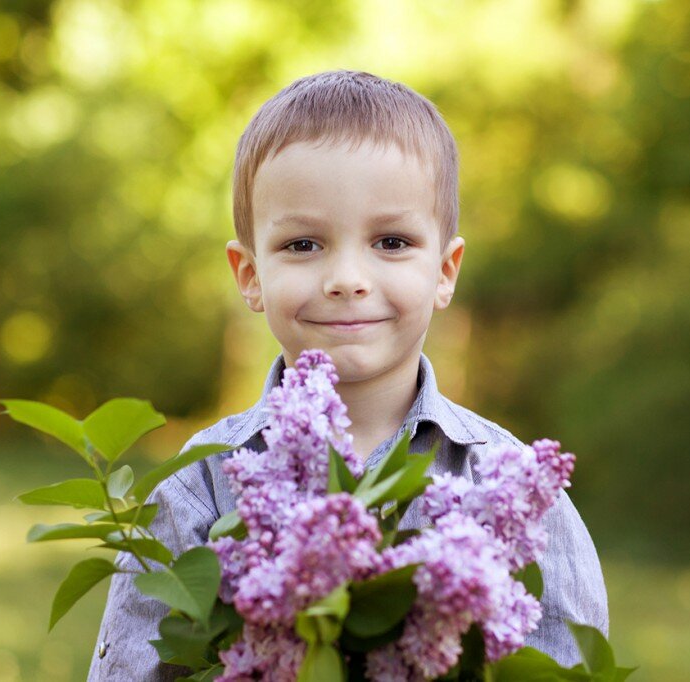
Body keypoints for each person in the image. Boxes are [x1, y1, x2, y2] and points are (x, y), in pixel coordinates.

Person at [88, 69, 607, 680]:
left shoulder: (514, 489)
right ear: (250, 275)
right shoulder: (199, 487)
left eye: (391, 241)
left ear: (446, 271)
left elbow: (566, 662)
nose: (347, 278)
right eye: (304, 245)